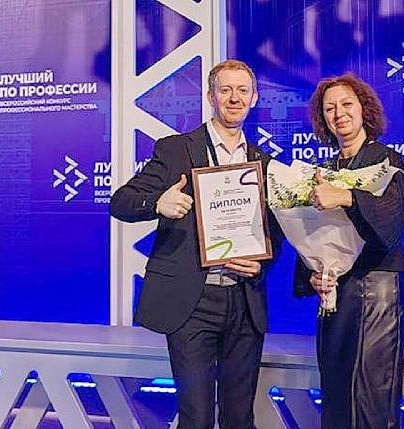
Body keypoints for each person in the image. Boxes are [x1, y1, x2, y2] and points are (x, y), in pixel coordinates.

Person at [110, 59, 273, 429]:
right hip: (193, 302)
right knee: (196, 418)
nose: (234, 98)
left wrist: (262, 262)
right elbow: (120, 202)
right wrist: (158, 203)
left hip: (244, 302)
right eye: (225, 90)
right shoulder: (176, 150)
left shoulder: (263, 163)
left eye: (243, 91)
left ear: (254, 98)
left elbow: (273, 234)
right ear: (211, 96)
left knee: (239, 418)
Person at [296, 73, 404, 429]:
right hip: (336, 295)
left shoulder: (387, 161)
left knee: (371, 399)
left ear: (364, 109)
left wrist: (345, 196)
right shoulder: (324, 171)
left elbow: (391, 222)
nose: (338, 113)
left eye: (346, 104)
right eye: (329, 108)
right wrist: (313, 274)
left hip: (378, 293)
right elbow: (310, 233)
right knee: (336, 395)